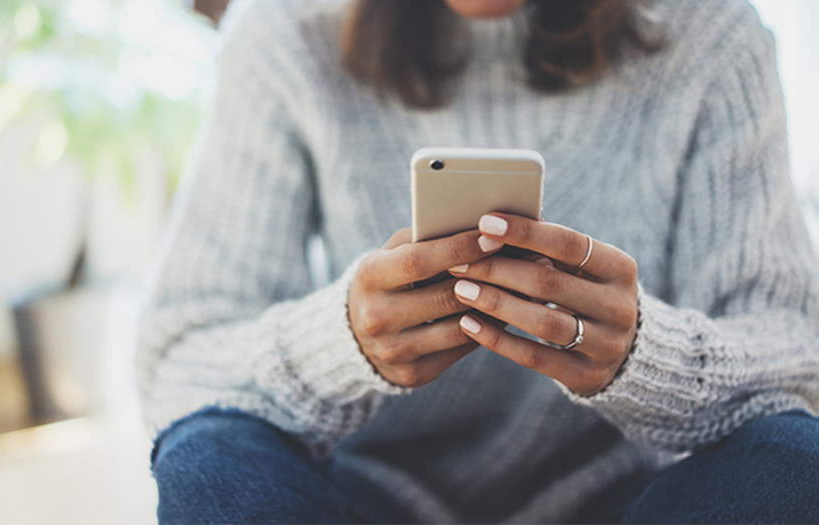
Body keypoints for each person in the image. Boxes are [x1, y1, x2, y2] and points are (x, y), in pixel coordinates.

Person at [137, 0, 819, 522]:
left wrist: (647, 354)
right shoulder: (283, 30)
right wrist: (339, 342)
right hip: (361, 494)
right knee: (210, 459)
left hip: (623, 495)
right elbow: (180, 360)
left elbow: (797, 354)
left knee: (791, 458)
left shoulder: (710, 31)